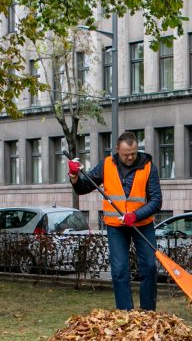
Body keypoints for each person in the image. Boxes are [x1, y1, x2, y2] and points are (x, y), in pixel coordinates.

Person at [68, 131, 162, 310]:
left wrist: (135, 215)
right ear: (117, 149)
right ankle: (125, 312)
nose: (130, 157)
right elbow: (84, 187)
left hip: (142, 224)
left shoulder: (149, 167)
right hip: (116, 227)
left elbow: (156, 201)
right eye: (126, 154)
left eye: (134, 153)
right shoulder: (106, 165)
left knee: (149, 267)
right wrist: (74, 176)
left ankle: (148, 312)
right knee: (119, 270)